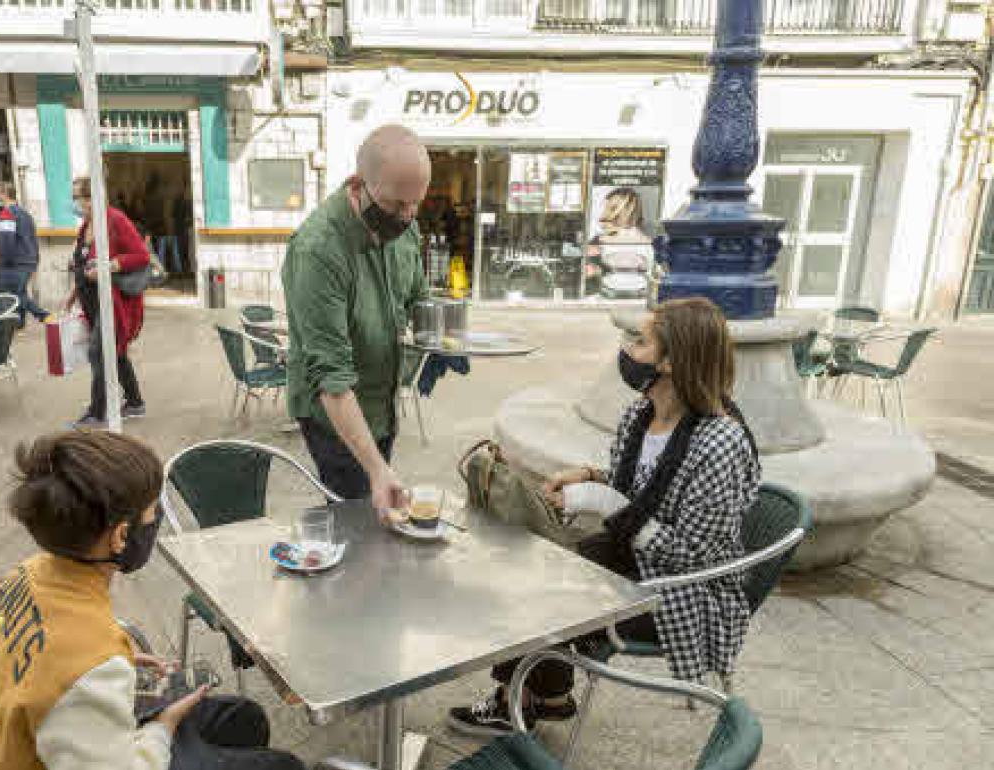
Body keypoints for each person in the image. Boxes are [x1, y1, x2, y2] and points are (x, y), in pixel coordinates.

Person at [448, 297, 761, 737]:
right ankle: (551, 695)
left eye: (641, 341)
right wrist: (589, 476)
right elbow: (642, 485)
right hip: (632, 557)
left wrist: (602, 499)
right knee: (534, 561)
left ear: (672, 361)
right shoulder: (641, 413)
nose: (628, 350)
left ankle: (515, 700)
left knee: (542, 591)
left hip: (683, 590)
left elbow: (693, 557)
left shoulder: (720, 441)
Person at [0, 430, 305, 770]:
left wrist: (121, 661)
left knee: (242, 717)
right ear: (121, 535)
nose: (157, 521)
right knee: (284, 765)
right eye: (154, 511)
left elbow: (33, 664)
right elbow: (75, 675)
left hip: (26, 743)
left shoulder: (21, 577)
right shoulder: (90, 668)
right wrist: (163, 727)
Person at [282, 124, 430, 511]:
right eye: (398, 205)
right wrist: (377, 470)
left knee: (377, 501)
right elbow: (331, 379)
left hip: (381, 403)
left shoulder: (406, 228)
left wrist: (438, 338)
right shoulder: (319, 251)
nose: (409, 215)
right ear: (358, 185)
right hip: (334, 414)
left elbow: (417, 296)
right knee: (358, 515)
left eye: (417, 203)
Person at [63, 176, 149, 429]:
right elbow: (81, 262)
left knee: (97, 352)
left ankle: (97, 412)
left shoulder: (115, 220)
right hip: (91, 300)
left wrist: (108, 267)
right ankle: (135, 402)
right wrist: (74, 292)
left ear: (92, 198)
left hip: (112, 303)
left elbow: (140, 255)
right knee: (116, 352)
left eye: (78, 197)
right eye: (75, 198)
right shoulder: (86, 225)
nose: (75, 203)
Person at [0, 181, 51, 327]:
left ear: (4, 195)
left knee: (14, 295)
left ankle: (42, 314)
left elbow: (6, 242)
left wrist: (5, 261)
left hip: (15, 263)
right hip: (29, 260)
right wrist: (35, 260)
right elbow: (34, 239)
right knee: (20, 292)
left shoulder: (6, 214)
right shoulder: (26, 214)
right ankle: (19, 323)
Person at [586, 187, 653, 299]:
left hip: (638, 294)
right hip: (608, 293)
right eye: (606, 209)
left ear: (629, 210)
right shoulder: (599, 239)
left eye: (613, 209)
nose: (604, 215)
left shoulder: (646, 242)